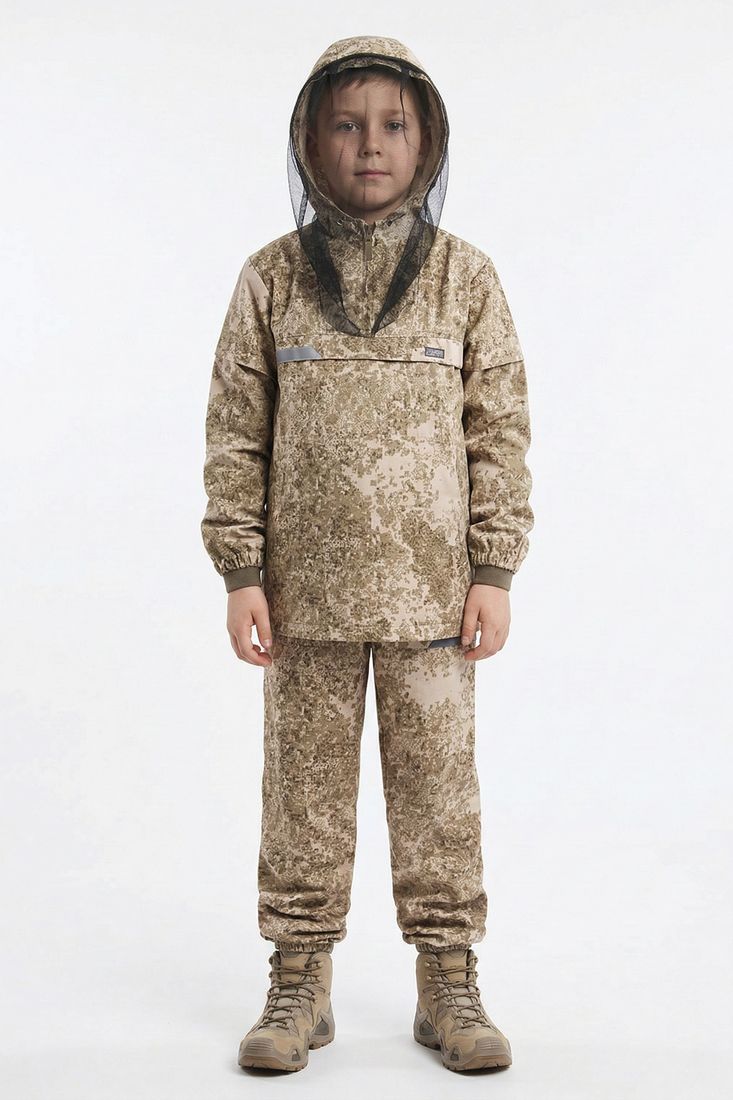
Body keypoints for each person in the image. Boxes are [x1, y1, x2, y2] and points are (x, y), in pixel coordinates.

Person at [200, 34, 533, 1074]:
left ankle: (448, 977)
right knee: (301, 793)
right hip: (302, 599)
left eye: (393, 124)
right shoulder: (270, 279)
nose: (371, 144)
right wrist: (241, 571)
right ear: (311, 141)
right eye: (346, 125)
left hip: (435, 597)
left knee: (439, 790)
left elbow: (498, 430)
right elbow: (235, 431)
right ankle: (298, 976)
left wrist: (494, 567)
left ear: (427, 140)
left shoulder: (464, 278)